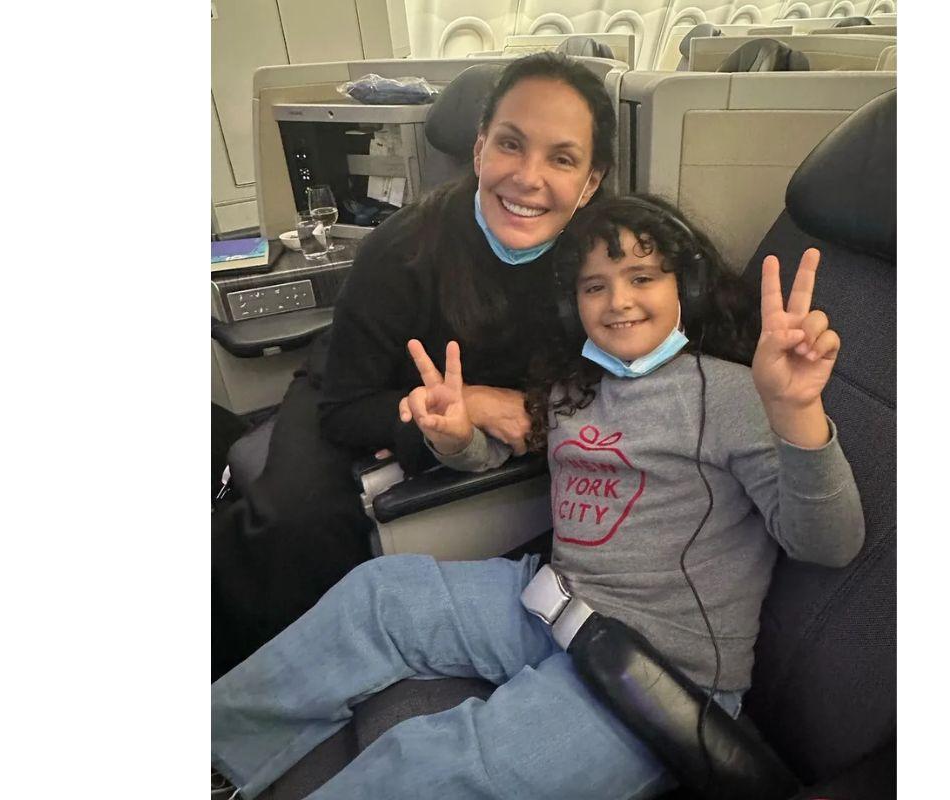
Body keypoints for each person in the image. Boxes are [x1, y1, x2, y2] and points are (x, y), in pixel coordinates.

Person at [212, 194, 866, 799]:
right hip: (551, 604)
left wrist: (797, 414)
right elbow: (497, 453)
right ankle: (215, 755)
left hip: (655, 671)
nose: (618, 300)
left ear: (687, 288)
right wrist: (457, 438)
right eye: (594, 286)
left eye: (642, 277)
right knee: (379, 597)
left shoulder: (731, 395)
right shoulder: (576, 385)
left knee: (434, 762)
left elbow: (828, 542)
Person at [211, 53, 615, 680]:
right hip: (356, 390)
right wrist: (471, 403)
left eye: (562, 159)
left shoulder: (603, 262)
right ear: (479, 149)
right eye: (510, 144)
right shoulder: (403, 248)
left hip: (468, 427)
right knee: (295, 524)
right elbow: (343, 406)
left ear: (590, 183)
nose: (528, 178)